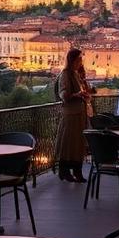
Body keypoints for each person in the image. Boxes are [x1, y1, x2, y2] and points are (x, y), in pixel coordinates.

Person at [53, 48, 89, 183]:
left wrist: (83, 93)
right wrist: (78, 94)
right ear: (72, 60)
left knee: (77, 145)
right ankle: (66, 172)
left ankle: (75, 172)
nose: (81, 62)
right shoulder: (65, 74)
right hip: (70, 115)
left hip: (78, 114)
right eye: (79, 59)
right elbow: (64, 95)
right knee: (68, 145)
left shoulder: (75, 74)